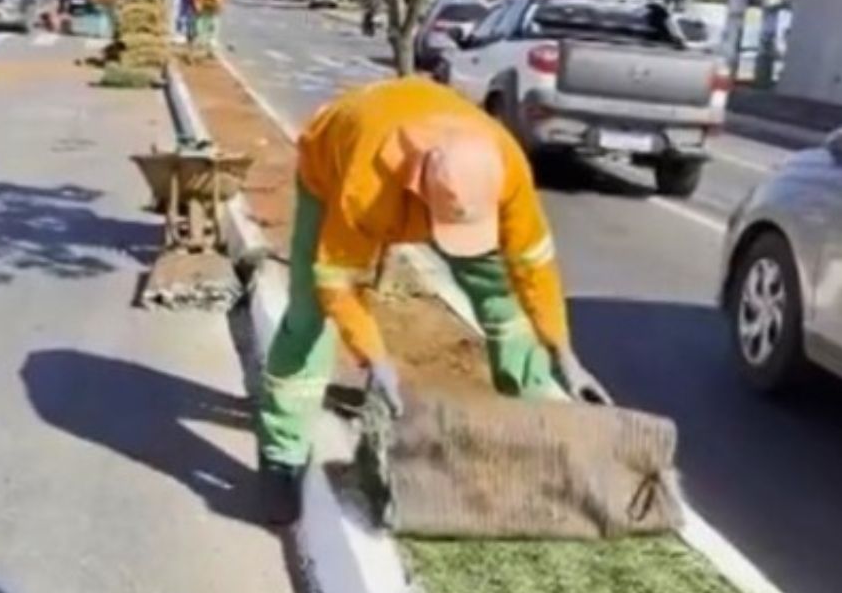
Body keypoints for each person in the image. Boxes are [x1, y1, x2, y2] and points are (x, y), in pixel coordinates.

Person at [257, 76, 610, 525]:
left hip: (443, 175)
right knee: (309, 316)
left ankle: (541, 420)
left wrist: (565, 353)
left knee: (503, 301)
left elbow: (533, 263)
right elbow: (337, 284)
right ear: (419, 190)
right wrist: (376, 361)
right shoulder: (365, 185)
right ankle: (281, 455)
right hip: (328, 167)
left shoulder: (504, 165)